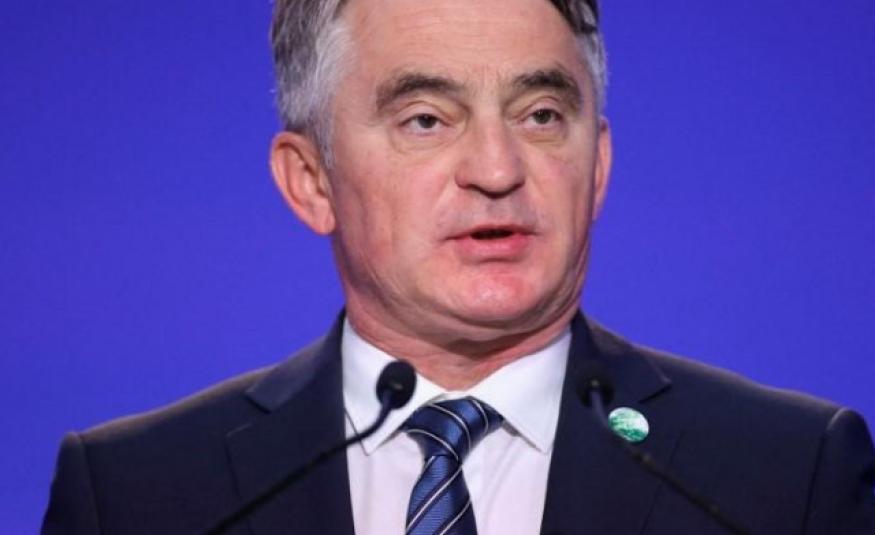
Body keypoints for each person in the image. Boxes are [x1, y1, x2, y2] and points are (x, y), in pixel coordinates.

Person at [42, 0, 875, 534]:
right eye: (426, 120)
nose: (496, 168)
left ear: (596, 167)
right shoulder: (136, 492)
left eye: (540, 114)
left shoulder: (783, 476)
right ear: (311, 181)